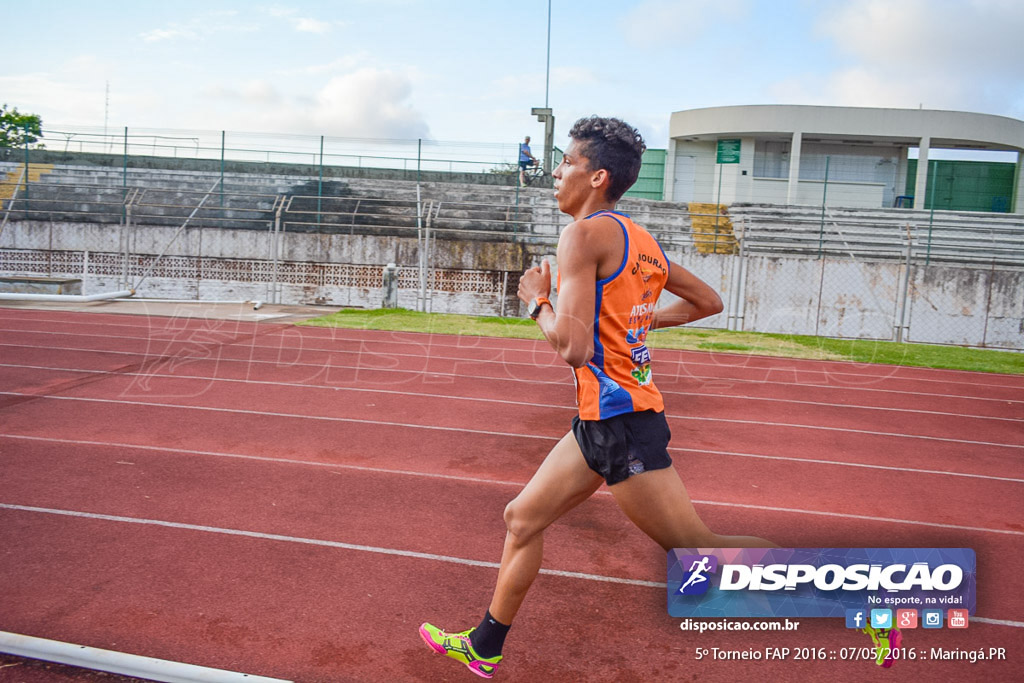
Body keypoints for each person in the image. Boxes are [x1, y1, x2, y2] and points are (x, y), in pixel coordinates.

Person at [419, 116, 774, 679]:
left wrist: (538, 301)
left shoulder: (581, 236)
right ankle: (485, 645)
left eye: (567, 162)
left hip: (623, 421)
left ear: (598, 176)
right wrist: (636, 324)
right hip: (599, 420)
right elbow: (708, 302)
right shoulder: (641, 239)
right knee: (522, 519)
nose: (556, 172)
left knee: (697, 548)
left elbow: (574, 347)